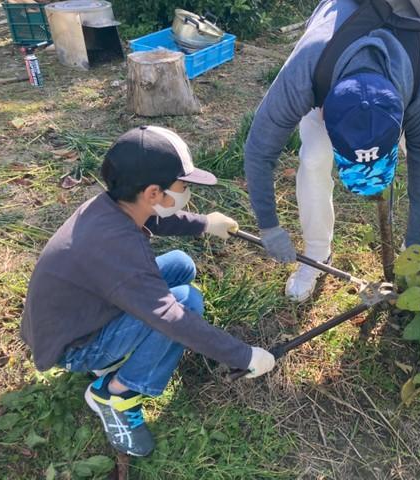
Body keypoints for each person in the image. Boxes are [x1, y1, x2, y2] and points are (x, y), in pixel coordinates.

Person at [20, 126, 276, 457]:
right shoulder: (121, 250)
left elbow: (154, 220)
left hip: (76, 314)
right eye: (183, 185)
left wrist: (204, 223)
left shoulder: (111, 207)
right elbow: (171, 317)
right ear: (153, 192)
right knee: (186, 302)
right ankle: (115, 394)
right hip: (73, 346)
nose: (186, 191)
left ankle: (115, 359)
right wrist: (243, 356)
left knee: (181, 265)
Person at [244, 0, 420, 302]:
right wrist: (268, 226)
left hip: (400, 73)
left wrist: (415, 254)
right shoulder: (306, 72)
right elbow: (258, 150)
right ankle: (318, 255)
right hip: (331, 60)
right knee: (314, 159)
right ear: (324, 116)